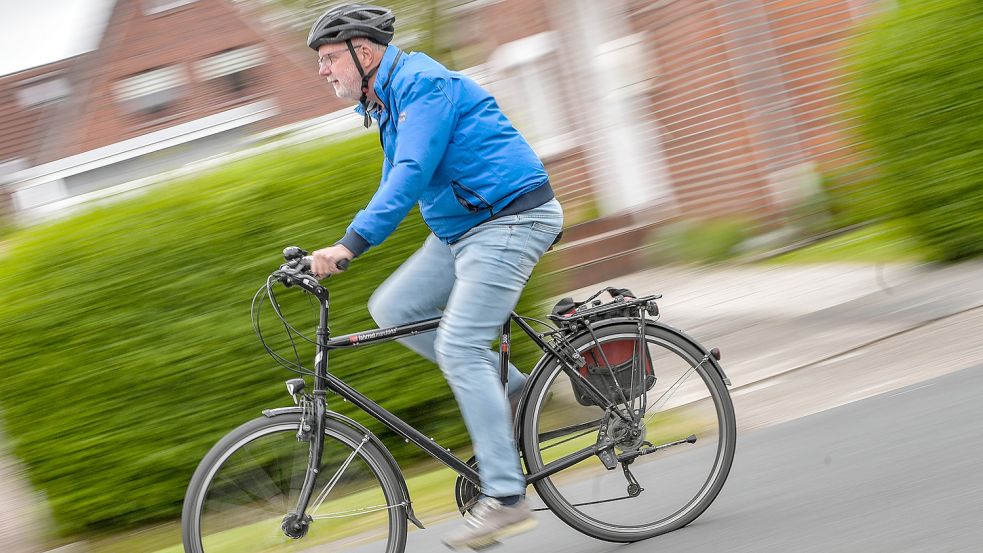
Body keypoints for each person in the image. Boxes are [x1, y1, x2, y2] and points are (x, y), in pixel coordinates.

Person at [306, 3, 562, 550]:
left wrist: (348, 245)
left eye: (329, 59)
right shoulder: (387, 100)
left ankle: (506, 498)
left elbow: (411, 173)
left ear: (364, 52)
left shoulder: (423, 86)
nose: (323, 71)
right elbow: (398, 185)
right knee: (393, 309)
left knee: (461, 346)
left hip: (510, 220)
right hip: (462, 232)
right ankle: (514, 390)